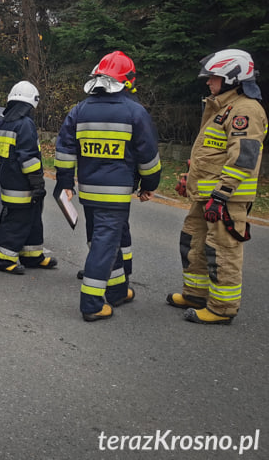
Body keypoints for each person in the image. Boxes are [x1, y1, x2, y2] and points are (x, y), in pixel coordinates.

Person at [54, 51, 161, 322]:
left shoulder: (79, 110)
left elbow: (65, 150)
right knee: (105, 244)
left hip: (89, 192)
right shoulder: (135, 112)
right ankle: (91, 303)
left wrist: (66, 183)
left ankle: (117, 291)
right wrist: (149, 185)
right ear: (127, 80)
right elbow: (148, 156)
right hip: (116, 195)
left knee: (114, 239)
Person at [167, 49, 267, 324]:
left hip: (226, 198)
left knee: (222, 250)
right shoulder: (221, 108)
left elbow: (244, 157)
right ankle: (196, 294)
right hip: (207, 194)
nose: (209, 83)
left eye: (213, 78)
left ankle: (222, 309)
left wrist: (222, 194)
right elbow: (211, 152)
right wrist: (190, 178)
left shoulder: (245, 110)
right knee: (193, 242)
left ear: (233, 79)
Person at [0, 81, 57, 274]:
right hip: (22, 184)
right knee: (17, 221)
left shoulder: (5, 122)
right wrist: (37, 183)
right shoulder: (25, 124)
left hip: (9, 180)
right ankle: (3, 259)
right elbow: (28, 158)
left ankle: (32, 256)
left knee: (32, 218)